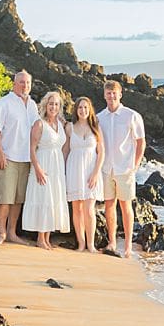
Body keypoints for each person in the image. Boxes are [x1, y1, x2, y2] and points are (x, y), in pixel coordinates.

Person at [0, 70, 38, 245]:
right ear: (14, 84)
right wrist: (0, 154)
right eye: (22, 82)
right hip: (6, 157)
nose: (25, 86)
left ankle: (12, 233)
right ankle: (1, 232)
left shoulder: (32, 105)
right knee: (4, 198)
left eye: (28, 83)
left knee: (18, 198)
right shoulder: (4, 103)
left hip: (25, 158)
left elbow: (37, 129)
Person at [97, 80, 145, 258]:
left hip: (125, 168)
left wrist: (136, 164)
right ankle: (111, 241)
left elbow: (141, 141)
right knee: (109, 205)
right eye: (108, 93)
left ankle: (127, 246)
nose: (111, 96)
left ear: (120, 94)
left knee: (126, 206)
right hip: (106, 168)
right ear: (104, 95)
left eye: (114, 93)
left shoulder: (131, 116)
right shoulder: (100, 117)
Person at [22, 91, 70, 249]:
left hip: (57, 167)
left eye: (56, 104)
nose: (53, 107)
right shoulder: (39, 124)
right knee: (43, 198)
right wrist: (37, 169)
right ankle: (40, 239)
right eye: (51, 104)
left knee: (53, 199)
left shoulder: (61, 124)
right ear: (45, 105)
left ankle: (47, 238)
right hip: (43, 163)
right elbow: (31, 148)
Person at [63, 96, 104, 252]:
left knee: (89, 209)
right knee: (77, 208)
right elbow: (66, 150)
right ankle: (80, 243)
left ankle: (91, 244)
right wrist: (63, 171)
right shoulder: (70, 127)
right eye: (80, 107)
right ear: (76, 110)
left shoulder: (96, 128)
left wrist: (95, 173)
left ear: (90, 110)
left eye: (86, 107)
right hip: (74, 169)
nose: (83, 110)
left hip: (90, 170)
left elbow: (101, 153)